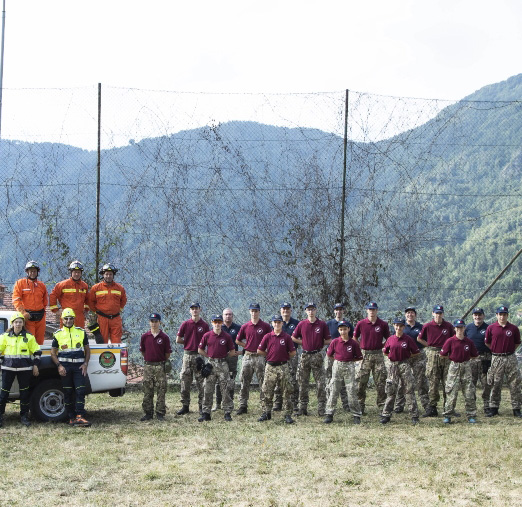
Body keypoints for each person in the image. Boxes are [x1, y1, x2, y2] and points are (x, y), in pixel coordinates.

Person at [50, 308, 91, 427]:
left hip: (79, 367)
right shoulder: (57, 334)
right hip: (65, 368)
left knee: (80, 391)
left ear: (74, 319)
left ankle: (80, 416)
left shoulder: (81, 332)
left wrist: (85, 363)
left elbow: (87, 350)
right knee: (68, 392)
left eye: (71, 318)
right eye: (66, 318)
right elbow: (53, 353)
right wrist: (59, 366)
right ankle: (71, 418)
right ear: (62, 320)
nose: (68, 320)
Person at [0, 312, 41, 427]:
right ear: (12, 324)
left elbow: (37, 352)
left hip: (25, 369)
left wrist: (36, 365)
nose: (18, 324)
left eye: (20, 322)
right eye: (16, 322)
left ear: (23, 323)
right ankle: (0, 416)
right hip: (8, 369)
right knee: (4, 394)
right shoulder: (5, 337)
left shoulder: (29, 337)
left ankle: (24, 417)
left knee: (24, 394)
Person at [292, 302, 331, 416]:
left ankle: (321, 408)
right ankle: (302, 407)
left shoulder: (322, 324)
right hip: (305, 355)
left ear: (316, 310)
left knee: (320, 383)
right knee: (303, 382)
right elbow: (293, 337)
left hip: (317, 355)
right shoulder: (302, 324)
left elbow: (328, 340)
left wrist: (319, 343)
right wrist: (303, 342)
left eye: (312, 309)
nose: (311, 311)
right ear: (306, 311)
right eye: (308, 309)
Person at [257, 314, 297, 424]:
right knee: (267, 390)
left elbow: (293, 352)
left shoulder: (286, 337)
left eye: (279, 322)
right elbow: (259, 350)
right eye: (275, 322)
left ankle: (287, 415)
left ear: (282, 324)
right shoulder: (267, 336)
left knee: (287, 390)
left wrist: (284, 357)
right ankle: (266, 413)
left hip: (283, 366)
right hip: (270, 367)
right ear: (272, 323)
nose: (277, 324)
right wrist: (269, 355)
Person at [380, 318, 420, 425]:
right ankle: (386, 415)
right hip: (393, 365)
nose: (398, 328)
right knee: (391, 390)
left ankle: (414, 415)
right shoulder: (390, 339)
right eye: (396, 325)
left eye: (401, 326)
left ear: (404, 327)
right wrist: (392, 356)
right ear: (394, 326)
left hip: (404, 365)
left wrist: (407, 356)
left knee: (409, 389)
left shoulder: (408, 339)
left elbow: (416, 352)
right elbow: (385, 352)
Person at [198, 314, 238, 422]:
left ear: (222, 323)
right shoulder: (207, 335)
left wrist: (223, 357)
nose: (217, 324)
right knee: (208, 389)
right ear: (212, 323)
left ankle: (227, 412)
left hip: (222, 364)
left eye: (219, 322)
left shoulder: (226, 336)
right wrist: (209, 357)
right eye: (215, 322)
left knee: (225, 388)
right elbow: (200, 349)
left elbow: (232, 351)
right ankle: (206, 413)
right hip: (211, 364)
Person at [417, 304, 454, 417]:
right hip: (432, 353)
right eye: (436, 313)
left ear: (443, 314)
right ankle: (432, 408)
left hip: (445, 354)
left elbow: (454, 338)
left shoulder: (448, 326)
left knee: (447, 381)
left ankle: (448, 407)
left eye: (440, 313)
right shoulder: (427, 326)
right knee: (433, 380)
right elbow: (419, 338)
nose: (438, 315)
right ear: (433, 313)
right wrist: (429, 345)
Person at [484, 305, 522, 418]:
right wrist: (496, 350)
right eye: (500, 314)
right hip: (496, 358)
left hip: (510, 358)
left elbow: (517, 343)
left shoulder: (513, 328)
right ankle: (494, 408)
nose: (502, 317)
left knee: (515, 383)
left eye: (504, 315)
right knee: (495, 383)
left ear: (507, 315)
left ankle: (516, 408)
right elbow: (487, 342)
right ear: (497, 315)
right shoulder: (491, 328)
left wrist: (508, 351)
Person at [353, 302, 390, 414]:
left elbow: (389, 339)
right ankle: (360, 406)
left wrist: (382, 346)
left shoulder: (383, 324)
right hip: (364, 355)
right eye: (370, 309)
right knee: (361, 381)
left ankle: (382, 407)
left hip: (378, 354)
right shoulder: (361, 323)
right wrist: (361, 346)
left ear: (377, 310)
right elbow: (355, 337)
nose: (372, 311)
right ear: (367, 311)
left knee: (381, 381)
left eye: (374, 309)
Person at [324, 320, 362, 425]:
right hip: (337, 366)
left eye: (345, 329)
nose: (343, 331)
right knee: (334, 389)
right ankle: (329, 413)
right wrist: (338, 360)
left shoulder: (353, 343)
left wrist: (348, 361)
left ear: (348, 329)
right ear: (338, 330)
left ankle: (356, 414)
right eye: (341, 329)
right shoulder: (335, 342)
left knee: (351, 390)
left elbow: (359, 357)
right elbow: (329, 354)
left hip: (349, 366)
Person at [235, 303, 271, 415]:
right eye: (252, 311)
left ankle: (265, 405)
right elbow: (237, 340)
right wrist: (247, 346)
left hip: (260, 357)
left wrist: (265, 350)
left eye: (256, 311)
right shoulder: (245, 326)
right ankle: (243, 405)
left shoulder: (265, 326)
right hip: (248, 356)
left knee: (263, 381)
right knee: (244, 381)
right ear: (249, 311)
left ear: (259, 312)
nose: (254, 313)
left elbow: (270, 340)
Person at [440, 319, 478, 424]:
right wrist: (453, 359)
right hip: (454, 366)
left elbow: (474, 355)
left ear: (464, 328)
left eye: (461, 327)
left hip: (466, 366)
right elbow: (442, 354)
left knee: (469, 391)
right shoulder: (450, 341)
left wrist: (465, 360)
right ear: (455, 328)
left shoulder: (468, 342)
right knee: (451, 391)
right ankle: (448, 415)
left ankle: (471, 415)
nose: (459, 329)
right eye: (458, 327)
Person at [176, 302, 210, 415]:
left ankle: (201, 406)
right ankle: (185, 406)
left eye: (196, 308)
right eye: (192, 308)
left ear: (200, 310)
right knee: (185, 381)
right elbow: (178, 339)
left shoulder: (204, 325)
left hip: (199, 356)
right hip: (187, 355)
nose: (194, 310)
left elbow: (208, 341)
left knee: (201, 382)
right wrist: (189, 342)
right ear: (190, 311)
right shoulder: (185, 324)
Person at [394, 306, 429, 414]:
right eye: (408, 313)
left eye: (412, 313)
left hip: (419, 355)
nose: (410, 314)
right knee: (403, 381)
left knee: (421, 381)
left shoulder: (421, 327)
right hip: (405, 356)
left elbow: (427, 340)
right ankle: (399, 405)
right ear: (405, 315)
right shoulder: (401, 326)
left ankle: (426, 406)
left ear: (415, 315)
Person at [139, 313, 172, 421]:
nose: (154, 323)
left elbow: (167, 353)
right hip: (148, 366)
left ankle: (160, 413)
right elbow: (143, 351)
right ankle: (148, 413)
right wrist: (150, 359)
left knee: (161, 390)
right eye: (152, 321)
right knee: (147, 390)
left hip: (160, 366)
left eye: (156, 321)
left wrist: (159, 361)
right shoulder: (145, 336)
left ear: (159, 322)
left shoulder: (164, 337)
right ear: (149, 322)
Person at [88, 263, 127, 343]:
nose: (108, 276)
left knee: (116, 341)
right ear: (103, 275)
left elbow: (123, 300)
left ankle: (116, 352)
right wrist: (96, 312)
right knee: (102, 341)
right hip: (102, 318)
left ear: (113, 275)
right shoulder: (96, 288)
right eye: (106, 274)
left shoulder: (120, 288)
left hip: (116, 318)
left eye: (110, 274)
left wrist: (119, 309)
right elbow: (91, 301)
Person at [12, 260, 49, 345]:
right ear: (27, 272)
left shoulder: (41, 285)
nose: (33, 273)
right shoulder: (20, 283)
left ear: (37, 272)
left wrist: (42, 312)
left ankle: (38, 354)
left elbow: (45, 301)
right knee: (29, 340)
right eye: (31, 271)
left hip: (40, 317)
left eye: (34, 271)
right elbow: (16, 300)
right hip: (28, 317)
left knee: (40, 341)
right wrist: (23, 312)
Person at [273, 302, 300, 413]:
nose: (285, 311)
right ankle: (278, 403)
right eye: (283, 309)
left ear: (291, 311)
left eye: (287, 309)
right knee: (277, 378)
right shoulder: (276, 323)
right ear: (280, 310)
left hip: (292, 355)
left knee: (292, 379)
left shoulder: (297, 323)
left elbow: (303, 338)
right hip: (278, 355)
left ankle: (294, 403)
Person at [324, 303, 350, 413]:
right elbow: (323, 339)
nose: (339, 311)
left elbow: (351, 339)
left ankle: (346, 404)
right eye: (337, 310)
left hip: (343, 357)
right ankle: (329, 404)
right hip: (330, 356)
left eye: (340, 309)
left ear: (343, 311)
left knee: (344, 380)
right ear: (334, 311)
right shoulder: (329, 324)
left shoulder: (347, 324)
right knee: (329, 379)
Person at [465, 307, 491, 414]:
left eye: (479, 315)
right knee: (471, 384)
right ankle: (472, 406)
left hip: (486, 359)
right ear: (472, 316)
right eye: (475, 315)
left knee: (486, 383)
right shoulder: (468, 328)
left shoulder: (488, 328)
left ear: (483, 316)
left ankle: (487, 406)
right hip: (471, 359)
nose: (477, 317)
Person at [214, 308, 241, 411]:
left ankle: (230, 403)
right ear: (222, 316)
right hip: (220, 357)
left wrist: (242, 352)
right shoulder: (219, 327)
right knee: (219, 380)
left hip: (232, 358)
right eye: (226, 314)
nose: (228, 316)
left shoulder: (238, 328)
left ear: (232, 316)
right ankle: (218, 403)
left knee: (231, 380)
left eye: (230, 314)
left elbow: (248, 340)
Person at [49, 260, 90, 328]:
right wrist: (56, 310)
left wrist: (86, 310)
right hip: (66, 317)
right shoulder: (62, 285)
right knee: (65, 334)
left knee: (79, 333)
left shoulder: (84, 286)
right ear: (71, 272)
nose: (76, 274)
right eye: (75, 272)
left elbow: (88, 299)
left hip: (79, 316)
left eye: (78, 272)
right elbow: (53, 295)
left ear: (81, 273)